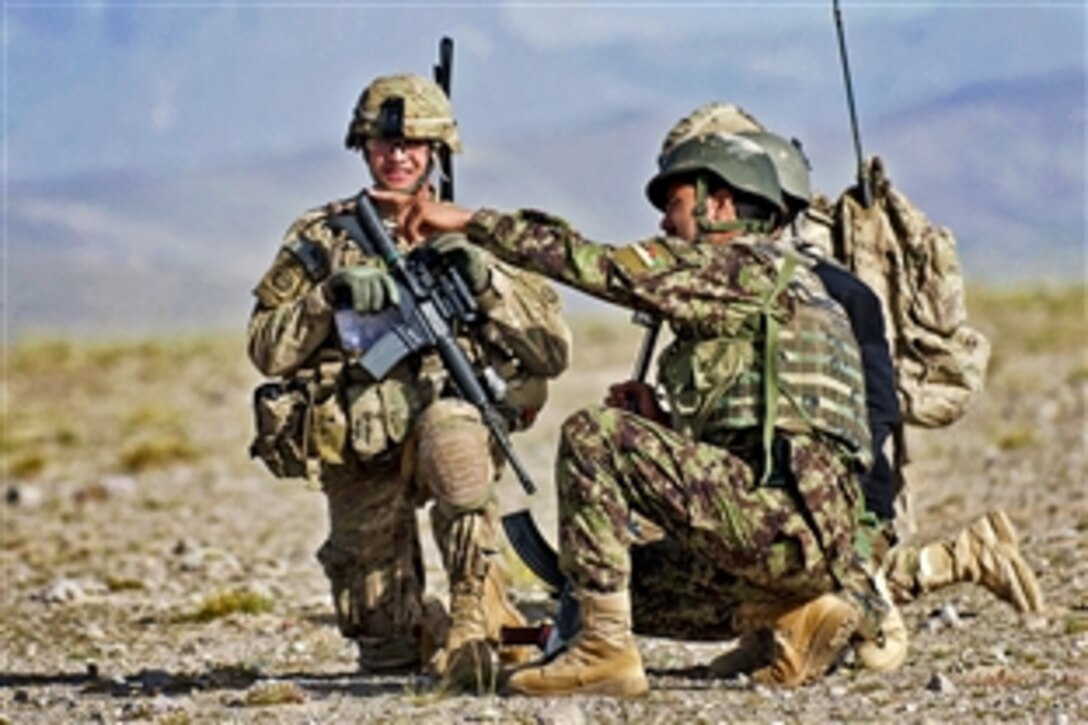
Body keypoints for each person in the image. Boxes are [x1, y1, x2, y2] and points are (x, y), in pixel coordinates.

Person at [376, 131, 890, 695]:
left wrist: (466, 222)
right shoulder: (795, 286)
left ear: (720, 204)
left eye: (675, 205)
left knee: (594, 435)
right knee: (621, 584)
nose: (666, 225)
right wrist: (665, 429)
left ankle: (604, 654)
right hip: (808, 542)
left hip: (787, 530)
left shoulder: (736, 268)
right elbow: (766, 441)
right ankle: (796, 615)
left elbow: (593, 264)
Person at [637, 104, 1043, 661]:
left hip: (833, 507)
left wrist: (862, 537)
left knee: (874, 648)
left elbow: (874, 424)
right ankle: (781, 622)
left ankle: (947, 562)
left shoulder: (830, 294)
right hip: (765, 508)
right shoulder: (717, 295)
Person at [246, 73, 572, 692]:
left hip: (445, 426)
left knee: (453, 435)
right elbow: (265, 348)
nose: (398, 156)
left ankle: (477, 621)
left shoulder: (471, 231)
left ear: (437, 152)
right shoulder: (323, 237)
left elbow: (552, 351)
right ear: (363, 149)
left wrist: (485, 281)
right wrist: (327, 299)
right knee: (384, 650)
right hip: (359, 442)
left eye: (413, 146)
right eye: (384, 144)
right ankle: (426, 627)